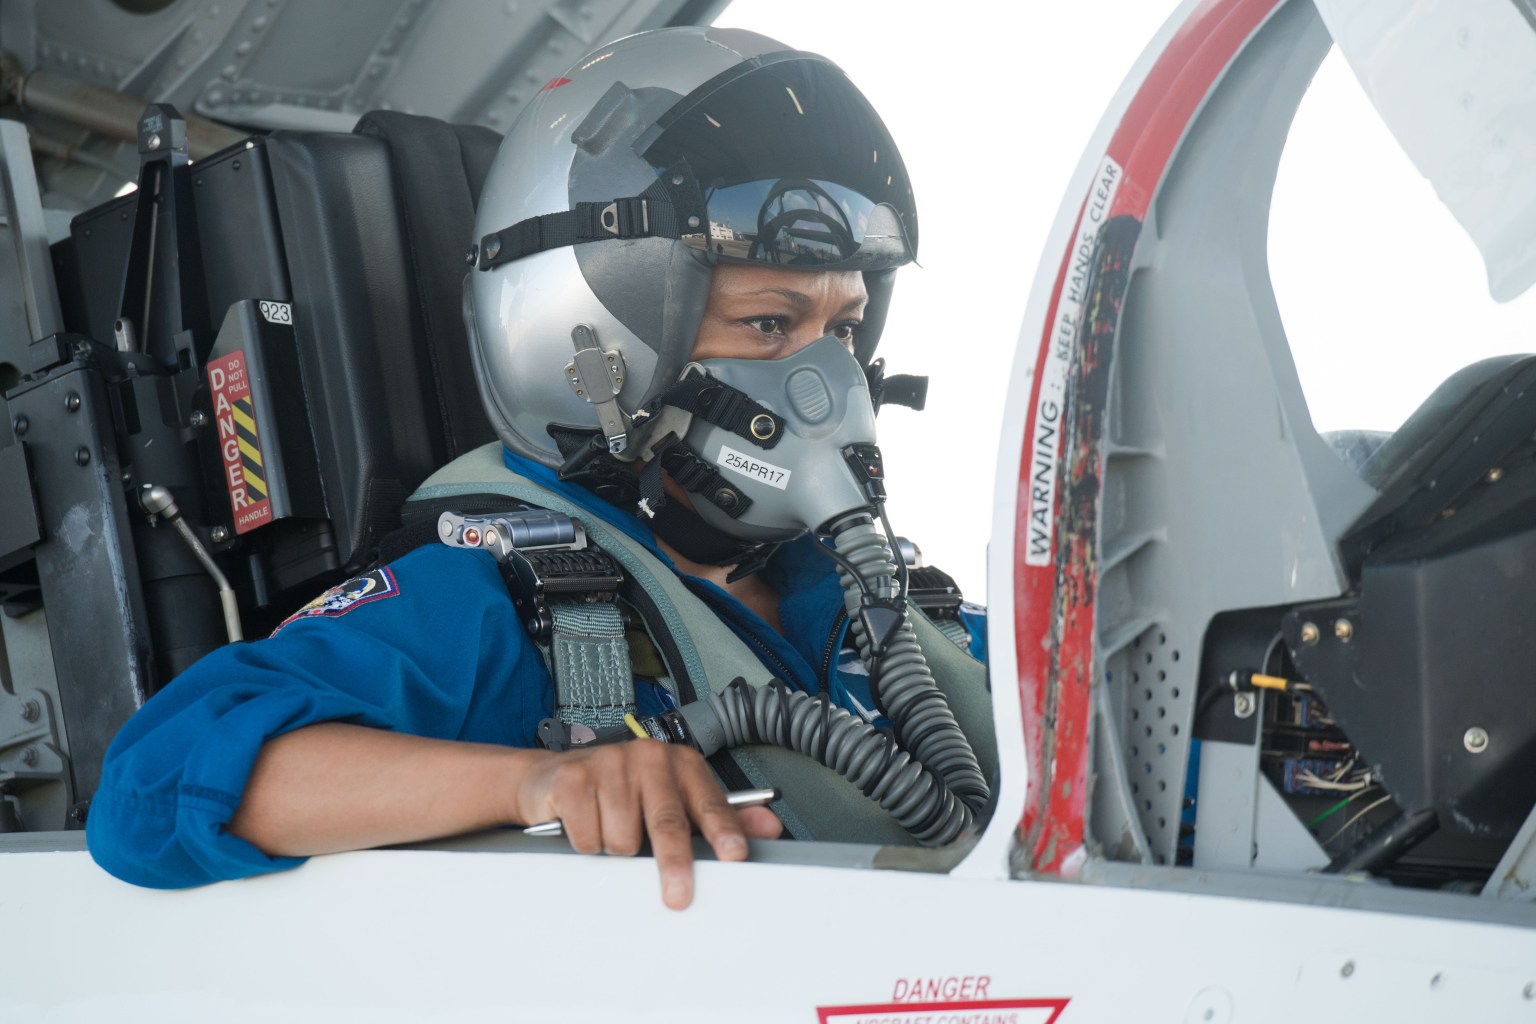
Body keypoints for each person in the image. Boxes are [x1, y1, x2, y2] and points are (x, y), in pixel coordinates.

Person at [86, 25, 995, 910]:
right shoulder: (507, 605)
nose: (829, 379)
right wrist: (541, 783)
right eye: (768, 325)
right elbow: (150, 792)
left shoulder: (900, 618)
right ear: (598, 343)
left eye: (842, 329)